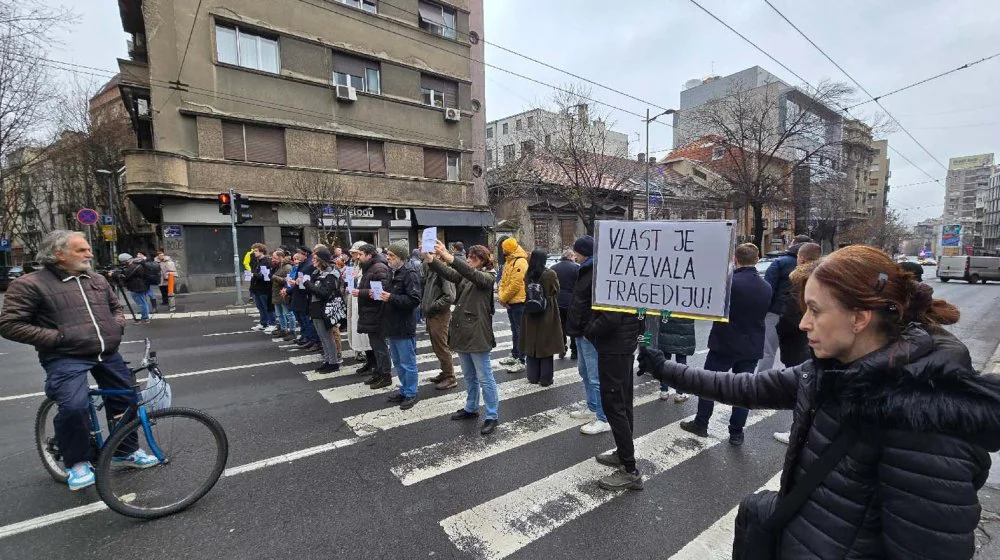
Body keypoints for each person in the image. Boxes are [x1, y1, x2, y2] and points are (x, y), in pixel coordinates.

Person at [638, 244, 1000, 560]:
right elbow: (746, 388)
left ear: (859, 318)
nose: (803, 324)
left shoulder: (924, 423)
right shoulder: (833, 370)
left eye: (815, 310)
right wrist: (665, 369)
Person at [0, 231, 160, 491]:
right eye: (81, 250)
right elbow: (10, 325)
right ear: (58, 254)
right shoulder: (31, 284)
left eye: (88, 249)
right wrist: (58, 337)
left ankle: (125, 452)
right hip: (65, 356)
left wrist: (116, 325)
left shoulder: (95, 279)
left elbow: (115, 308)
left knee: (126, 399)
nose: (89, 254)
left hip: (106, 353)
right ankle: (77, 463)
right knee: (74, 406)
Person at [681, 243, 771, 446]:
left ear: (735, 259)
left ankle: (701, 423)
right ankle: (736, 433)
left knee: (709, 385)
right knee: (743, 391)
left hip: (724, 344)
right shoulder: (766, 287)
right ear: (757, 259)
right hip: (751, 346)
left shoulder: (728, 283)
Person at [429, 241, 500, 435]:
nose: (468, 260)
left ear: (483, 261)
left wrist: (448, 256)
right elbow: (451, 274)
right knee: (469, 376)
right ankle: (471, 408)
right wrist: (432, 260)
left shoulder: (487, 276)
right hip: (462, 332)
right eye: (467, 257)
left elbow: (472, 275)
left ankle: (492, 415)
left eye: (473, 258)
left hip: (477, 334)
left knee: (485, 378)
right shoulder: (468, 274)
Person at [587, 306, 644, 490]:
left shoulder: (615, 281)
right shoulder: (631, 280)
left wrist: (588, 329)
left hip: (615, 346)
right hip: (624, 344)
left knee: (614, 406)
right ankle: (623, 455)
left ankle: (630, 470)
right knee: (624, 404)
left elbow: (610, 318)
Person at [773, 242, 822, 444]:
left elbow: (791, 317)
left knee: (803, 386)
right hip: (810, 345)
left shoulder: (801, 283)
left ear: (801, 259)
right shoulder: (823, 280)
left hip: (798, 345)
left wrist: (780, 329)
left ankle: (798, 431)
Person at [564, 235, 610, 435]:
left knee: (595, 376)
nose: (574, 255)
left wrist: (590, 328)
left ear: (583, 253)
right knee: (584, 372)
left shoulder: (595, 271)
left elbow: (599, 307)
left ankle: (603, 417)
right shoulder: (584, 269)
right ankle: (592, 407)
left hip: (588, 333)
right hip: (580, 331)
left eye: (576, 251)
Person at [759, 234, 813, 372]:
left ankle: (762, 383)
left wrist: (764, 311)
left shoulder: (780, 263)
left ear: (794, 244)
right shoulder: (817, 267)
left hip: (776, 312)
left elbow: (768, 289)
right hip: (804, 314)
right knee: (801, 351)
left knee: (768, 352)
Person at [380, 241, 423, 409]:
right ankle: (404, 389)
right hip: (392, 324)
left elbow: (414, 300)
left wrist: (390, 298)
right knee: (397, 361)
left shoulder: (410, 274)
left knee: (407, 362)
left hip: (404, 325)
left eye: (391, 256)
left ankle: (411, 393)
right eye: (388, 255)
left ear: (401, 258)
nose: (388, 258)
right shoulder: (393, 272)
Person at [518, 249, 563, 386]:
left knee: (531, 344)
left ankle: (532, 376)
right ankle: (545, 378)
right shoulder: (550, 274)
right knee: (546, 345)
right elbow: (556, 290)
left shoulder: (528, 274)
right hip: (547, 311)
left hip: (530, 311)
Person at [353, 244, 392, 388]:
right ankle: (379, 372)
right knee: (375, 345)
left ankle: (385, 375)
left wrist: (361, 292)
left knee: (380, 346)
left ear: (369, 254)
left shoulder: (379, 267)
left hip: (377, 313)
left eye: (361, 254)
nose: (358, 257)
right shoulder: (369, 267)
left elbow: (381, 291)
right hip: (370, 312)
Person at [302, 248, 343, 374]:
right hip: (315, 307)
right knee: (322, 337)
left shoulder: (331, 274)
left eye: (315, 259)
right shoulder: (318, 272)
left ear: (321, 260)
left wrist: (308, 284)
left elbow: (324, 293)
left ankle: (333, 362)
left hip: (324, 309)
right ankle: (327, 360)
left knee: (327, 337)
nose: (312, 261)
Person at [421, 249, 457, 390]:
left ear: (437, 255)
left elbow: (450, 296)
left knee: (441, 347)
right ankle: (445, 372)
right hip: (432, 314)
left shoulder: (443, 271)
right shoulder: (431, 270)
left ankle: (450, 377)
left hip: (439, 314)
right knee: (437, 346)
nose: (425, 256)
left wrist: (433, 306)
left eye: (428, 253)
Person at [498, 237, 528, 373]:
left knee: (520, 331)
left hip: (519, 302)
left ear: (508, 249)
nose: (502, 250)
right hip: (511, 301)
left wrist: (503, 298)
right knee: (515, 330)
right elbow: (503, 281)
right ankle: (515, 354)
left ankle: (521, 359)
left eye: (504, 248)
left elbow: (515, 285)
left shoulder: (520, 262)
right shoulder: (509, 261)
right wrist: (502, 297)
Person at [654, 317, 694, 403]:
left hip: (666, 327)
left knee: (664, 363)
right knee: (681, 364)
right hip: (684, 331)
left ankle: (664, 391)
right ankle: (680, 394)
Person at [346, 242, 372, 366]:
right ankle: (365, 358)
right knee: (356, 328)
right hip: (355, 298)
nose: (354, 256)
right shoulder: (354, 265)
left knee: (367, 336)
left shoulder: (369, 267)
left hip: (364, 303)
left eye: (356, 254)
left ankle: (373, 363)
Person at [550, 248, 579, 359]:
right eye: (573, 256)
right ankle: (574, 350)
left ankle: (562, 349)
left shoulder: (553, 268)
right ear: (570, 256)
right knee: (572, 326)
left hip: (557, 301)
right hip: (571, 301)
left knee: (560, 326)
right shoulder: (576, 268)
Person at [248, 243, 276, 334]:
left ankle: (272, 323)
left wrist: (254, 275)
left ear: (262, 251)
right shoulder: (257, 261)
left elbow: (265, 276)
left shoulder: (266, 261)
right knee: (260, 307)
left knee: (267, 307)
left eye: (256, 251)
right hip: (256, 288)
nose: (254, 253)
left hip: (264, 288)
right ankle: (263, 323)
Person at [119, 253, 151, 323]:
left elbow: (126, 276)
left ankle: (145, 318)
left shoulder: (133, 266)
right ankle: (145, 317)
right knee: (143, 302)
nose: (123, 264)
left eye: (123, 262)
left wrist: (116, 275)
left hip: (136, 286)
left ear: (126, 260)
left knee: (141, 303)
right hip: (141, 285)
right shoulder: (139, 264)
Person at [271, 250, 297, 339]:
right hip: (277, 293)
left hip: (283, 293)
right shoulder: (278, 266)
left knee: (288, 313)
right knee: (279, 313)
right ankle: (283, 329)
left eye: (275, 257)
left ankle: (292, 331)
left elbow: (288, 281)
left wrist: (274, 277)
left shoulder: (287, 267)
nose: (273, 259)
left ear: (281, 257)